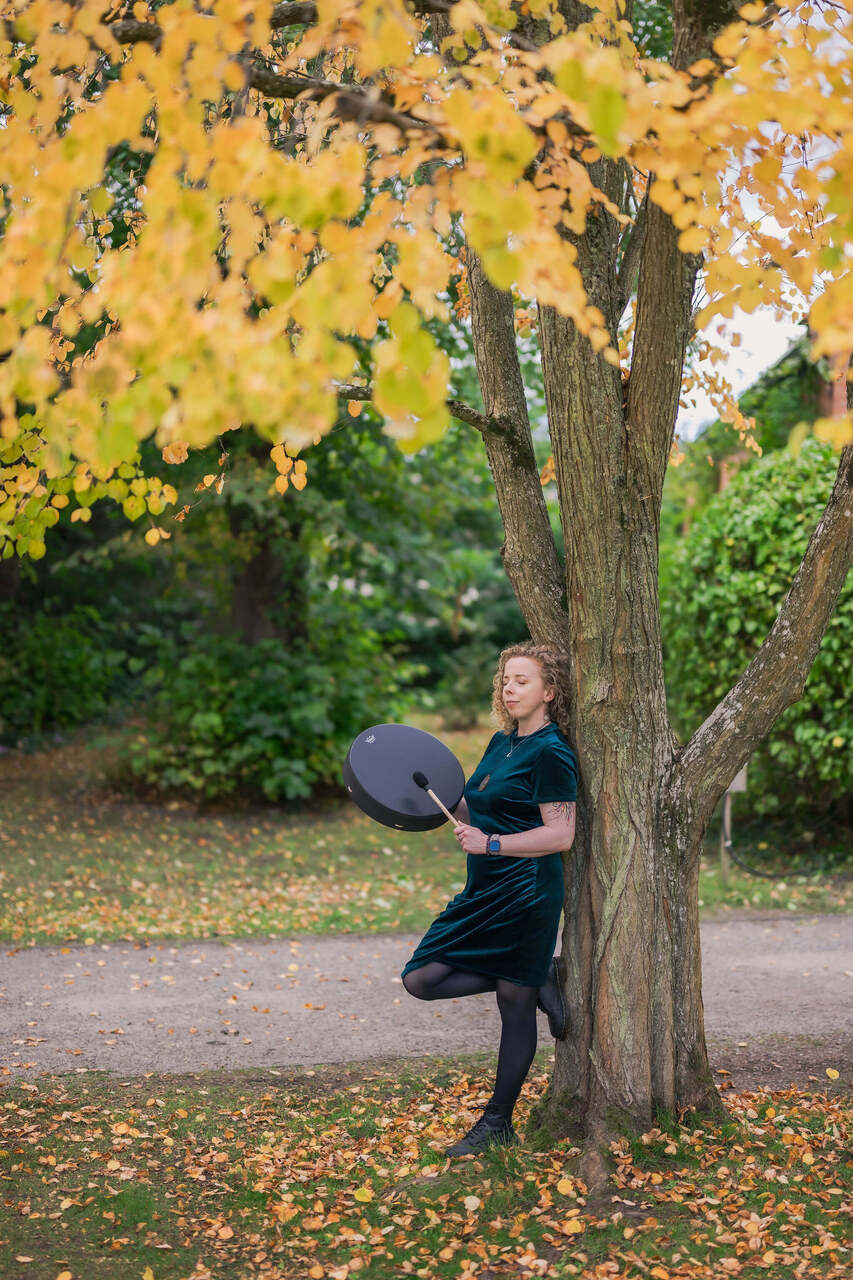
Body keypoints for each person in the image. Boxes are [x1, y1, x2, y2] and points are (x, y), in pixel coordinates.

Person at [401, 642, 578, 1158]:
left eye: (523, 680)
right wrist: (428, 803)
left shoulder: (552, 752)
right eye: (506, 679)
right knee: (420, 979)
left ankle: (497, 1123)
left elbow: (560, 835)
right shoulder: (502, 743)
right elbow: (476, 805)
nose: (509, 687)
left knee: (513, 1004)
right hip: (483, 889)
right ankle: (535, 973)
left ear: (549, 691)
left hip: (526, 891)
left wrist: (493, 844)